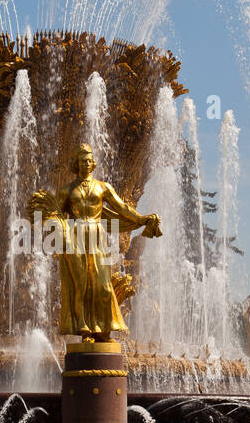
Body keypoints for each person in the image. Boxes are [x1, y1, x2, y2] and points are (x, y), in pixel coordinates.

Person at [28, 144, 161, 342]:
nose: (85, 164)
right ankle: (84, 328)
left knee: (103, 285)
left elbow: (122, 208)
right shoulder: (66, 190)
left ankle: (103, 327)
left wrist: (141, 219)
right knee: (80, 285)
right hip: (75, 236)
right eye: (82, 161)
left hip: (97, 235)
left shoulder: (103, 187)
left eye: (88, 160)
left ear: (93, 164)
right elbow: (56, 215)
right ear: (76, 164)